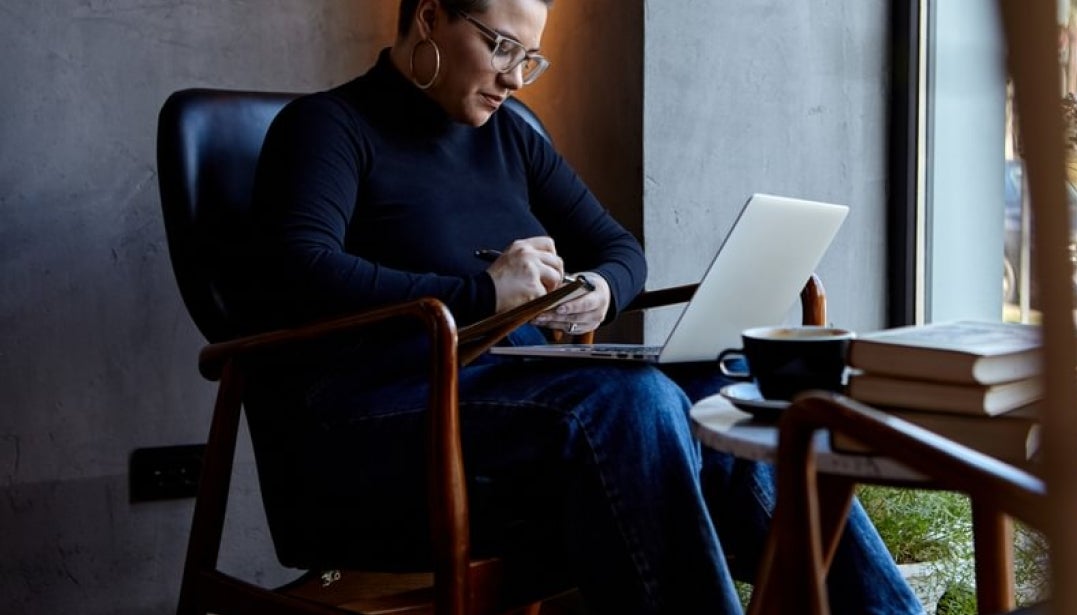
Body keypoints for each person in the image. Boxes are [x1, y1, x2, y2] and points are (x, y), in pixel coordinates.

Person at [240, 0, 925, 612]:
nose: (514, 77)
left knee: (727, 386)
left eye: (529, 58)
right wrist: (485, 293)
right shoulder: (328, 127)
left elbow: (618, 247)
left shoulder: (511, 136)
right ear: (429, 19)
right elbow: (303, 270)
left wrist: (600, 288)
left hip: (515, 395)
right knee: (630, 401)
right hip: (382, 410)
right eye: (501, 46)